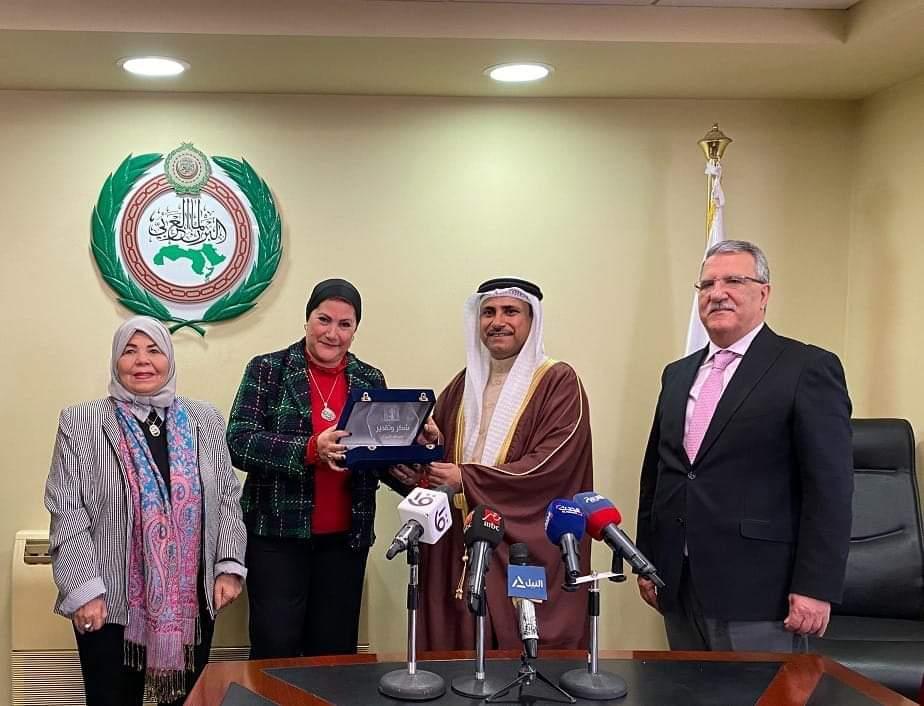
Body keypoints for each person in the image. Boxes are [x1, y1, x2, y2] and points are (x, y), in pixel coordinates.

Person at [636, 239, 853, 652]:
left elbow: (830, 489)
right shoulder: (677, 374)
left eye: (734, 281)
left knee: (758, 688)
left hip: (762, 594)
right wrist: (646, 561)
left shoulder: (806, 368)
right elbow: (658, 474)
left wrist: (815, 586)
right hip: (678, 586)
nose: (717, 293)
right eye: (707, 285)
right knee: (684, 687)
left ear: (764, 293)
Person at [44, 316, 247, 706]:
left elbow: (226, 497)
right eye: (130, 351)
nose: (142, 361)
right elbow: (67, 511)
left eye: (154, 350)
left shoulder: (204, 419)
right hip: (109, 604)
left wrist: (228, 565)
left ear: (169, 358)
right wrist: (83, 590)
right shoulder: (81, 422)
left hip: (192, 604)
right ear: (115, 360)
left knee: (188, 701)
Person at [392, 277, 594, 651]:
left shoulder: (558, 382)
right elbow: (446, 459)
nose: (497, 321)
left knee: (520, 659)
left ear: (532, 320)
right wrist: (422, 460)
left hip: (519, 545)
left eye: (510, 311)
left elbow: (550, 467)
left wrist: (467, 478)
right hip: (461, 541)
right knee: (459, 658)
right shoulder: (462, 384)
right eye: (488, 312)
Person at [227, 278, 404, 659]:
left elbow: (377, 452)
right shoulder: (267, 369)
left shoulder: (370, 379)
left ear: (355, 330)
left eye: (345, 324)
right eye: (324, 320)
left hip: (345, 542)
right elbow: (239, 441)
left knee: (334, 653)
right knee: (275, 646)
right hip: (276, 539)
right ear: (307, 319)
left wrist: (414, 454)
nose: (332, 333)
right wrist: (310, 450)